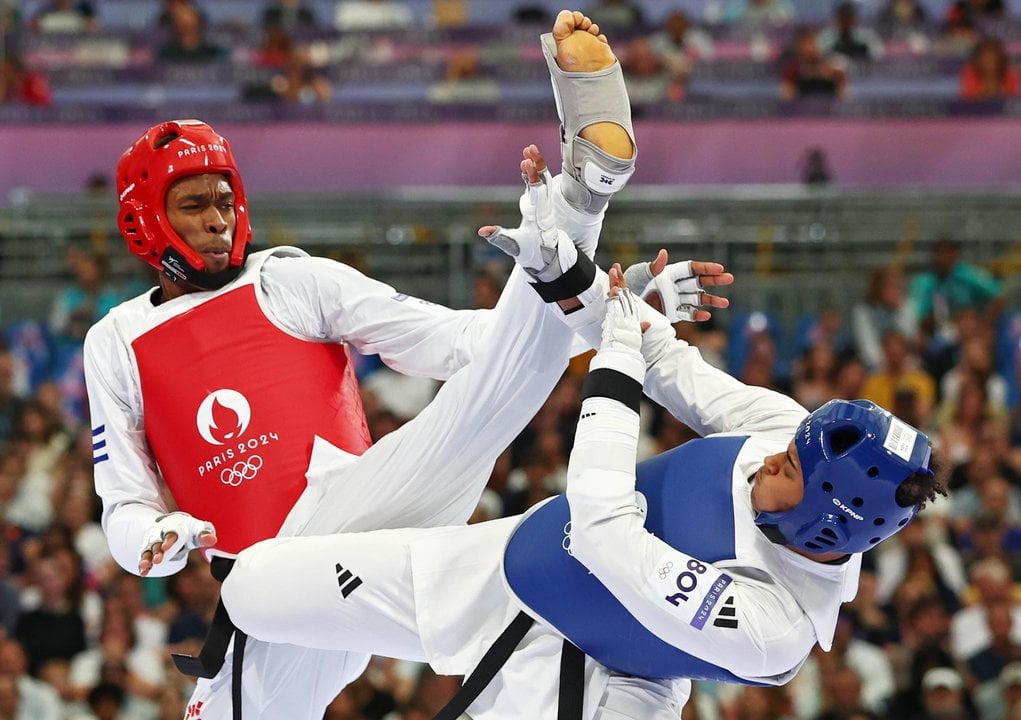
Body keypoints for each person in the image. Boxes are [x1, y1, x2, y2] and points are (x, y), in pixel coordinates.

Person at [85, 10, 651, 718]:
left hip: (364, 510)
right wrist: (158, 543)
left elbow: (453, 342)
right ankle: (578, 238)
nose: (217, 219)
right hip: (282, 592)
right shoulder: (117, 340)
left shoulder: (288, 280)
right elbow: (124, 503)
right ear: (146, 219)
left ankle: (581, 193)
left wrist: (615, 321)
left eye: (225, 201)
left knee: (477, 408)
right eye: (194, 204)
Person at [219, 210, 943, 718]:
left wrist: (616, 358)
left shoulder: (772, 624)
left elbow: (601, 531)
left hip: (596, 687)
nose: (769, 458)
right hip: (504, 563)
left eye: (787, 471)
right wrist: (566, 270)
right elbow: (663, 356)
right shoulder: (789, 438)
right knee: (249, 589)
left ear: (824, 520)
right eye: (788, 446)